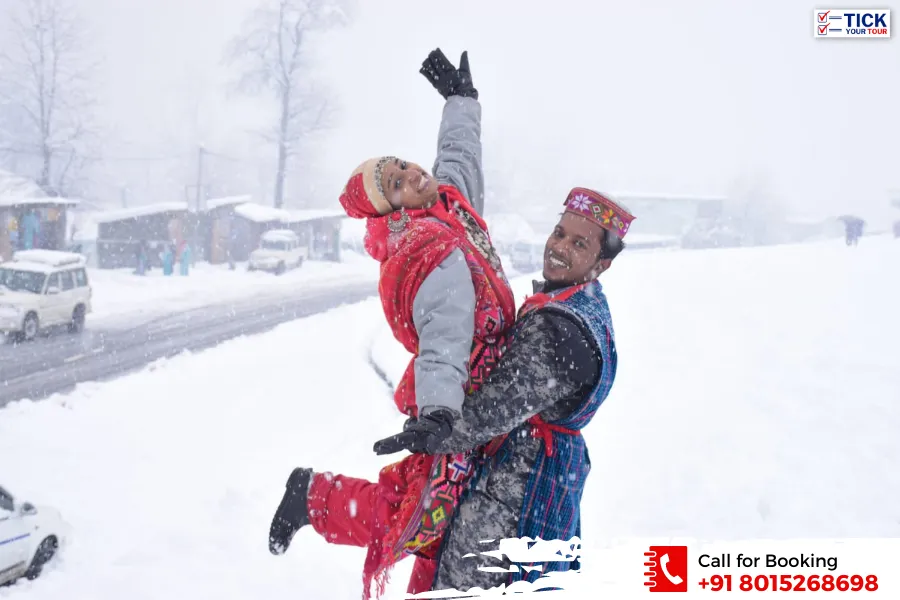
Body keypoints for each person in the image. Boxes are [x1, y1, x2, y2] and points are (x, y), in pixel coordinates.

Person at [267, 48, 517, 598]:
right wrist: (438, 411)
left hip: (477, 392)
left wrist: (461, 102)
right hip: (460, 397)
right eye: (397, 183)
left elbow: (459, 159)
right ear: (394, 212)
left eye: (401, 165)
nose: (411, 173)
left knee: (429, 513)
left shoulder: (448, 208)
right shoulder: (428, 247)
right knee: (420, 519)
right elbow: (444, 337)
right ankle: (313, 497)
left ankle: (316, 497)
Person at [373, 186, 632, 593]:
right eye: (559, 232)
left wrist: (436, 429)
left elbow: (489, 413)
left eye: (578, 243)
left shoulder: (559, 331)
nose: (559, 248)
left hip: (515, 494)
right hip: (545, 474)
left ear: (602, 263)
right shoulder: (582, 302)